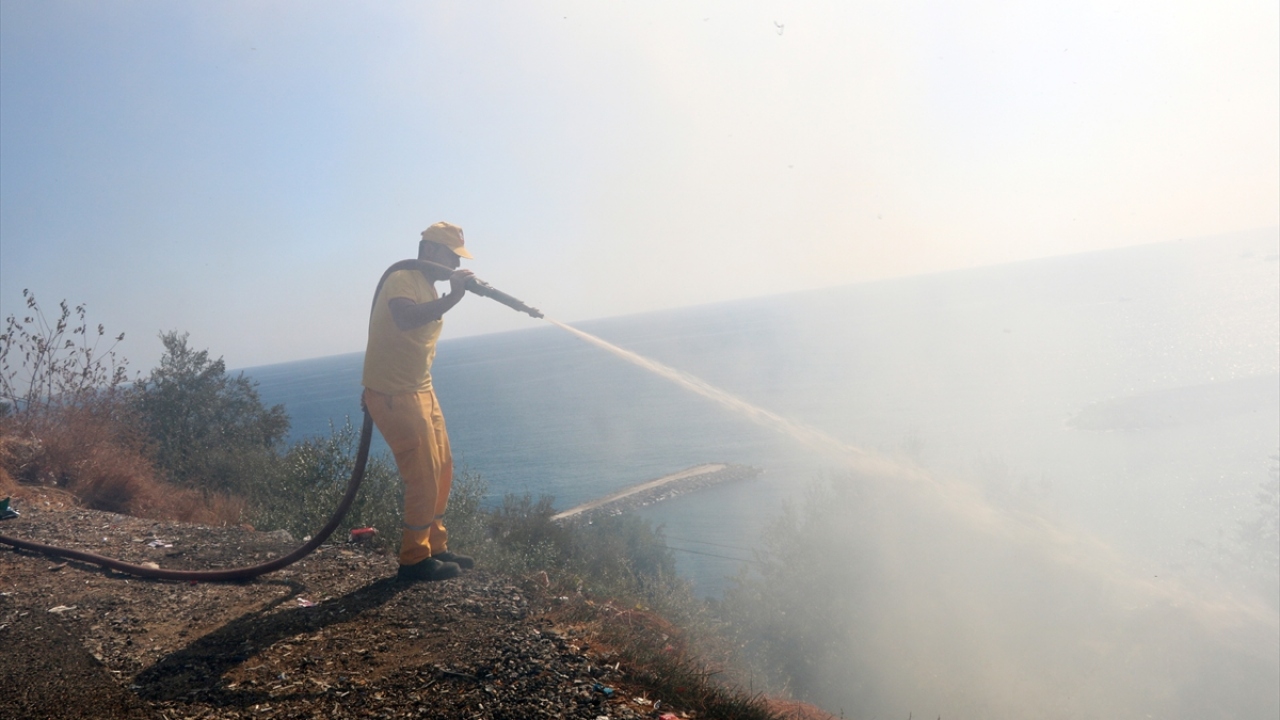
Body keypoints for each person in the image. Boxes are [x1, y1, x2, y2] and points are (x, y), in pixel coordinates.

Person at [362, 221, 477, 582]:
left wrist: (447, 296)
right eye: (451, 257)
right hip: (395, 394)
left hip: (421, 388)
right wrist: (453, 298)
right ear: (429, 251)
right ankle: (414, 559)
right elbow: (403, 317)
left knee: (443, 467)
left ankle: (435, 545)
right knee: (423, 473)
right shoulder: (402, 280)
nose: (457, 266)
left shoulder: (427, 285)